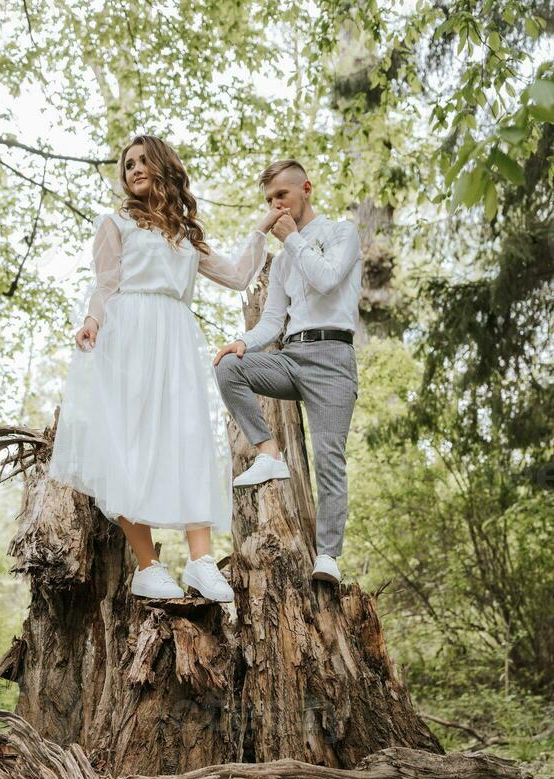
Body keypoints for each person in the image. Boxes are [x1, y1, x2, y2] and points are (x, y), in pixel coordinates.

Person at [49, 134, 283, 601]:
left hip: (176, 338)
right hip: (129, 334)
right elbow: (106, 284)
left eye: (141, 161)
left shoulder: (184, 234)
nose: (133, 168)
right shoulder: (116, 223)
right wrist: (93, 320)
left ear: (162, 166)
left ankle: (200, 562)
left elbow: (238, 276)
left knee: (188, 437)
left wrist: (262, 228)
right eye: (127, 164)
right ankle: (148, 565)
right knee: (129, 445)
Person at [213, 159, 361, 584]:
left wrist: (293, 240)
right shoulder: (279, 263)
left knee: (329, 457)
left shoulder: (341, 233)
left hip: (333, 359)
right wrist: (244, 343)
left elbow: (328, 280)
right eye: (269, 200)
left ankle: (328, 556)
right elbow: (272, 321)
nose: (275, 206)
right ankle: (269, 453)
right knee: (228, 368)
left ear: (306, 189)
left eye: (281, 195)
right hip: (291, 357)